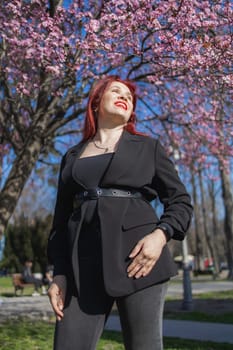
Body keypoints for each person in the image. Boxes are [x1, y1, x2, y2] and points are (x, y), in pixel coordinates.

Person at [47, 75, 193, 350]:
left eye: (129, 96)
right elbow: (60, 222)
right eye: (116, 91)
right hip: (82, 265)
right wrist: (60, 273)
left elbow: (180, 201)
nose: (125, 97)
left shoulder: (149, 148)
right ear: (96, 102)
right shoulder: (72, 156)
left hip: (139, 259)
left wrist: (160, 237)